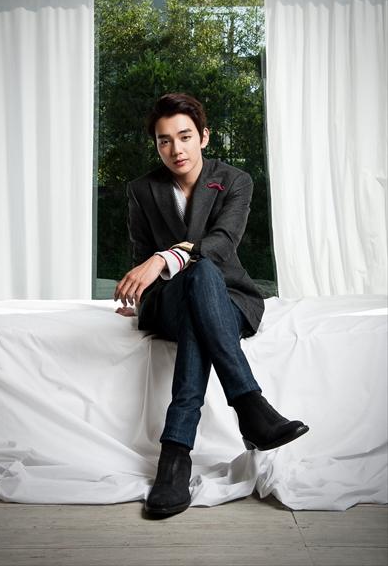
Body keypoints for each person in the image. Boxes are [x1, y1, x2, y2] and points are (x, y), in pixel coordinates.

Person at [114, 93, 309, 517]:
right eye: (165, 140)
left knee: (202, 274)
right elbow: (141, 257)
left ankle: (175, 454)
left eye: (185, 136)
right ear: (157, 145)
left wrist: (168, 257)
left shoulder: (236, 181)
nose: (176, 149)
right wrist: (140, 294)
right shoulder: (142, 190)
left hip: (229, 297)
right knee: (194, 284)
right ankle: (250, 406)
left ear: (204, 136)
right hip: (169, 300)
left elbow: (221, 243)